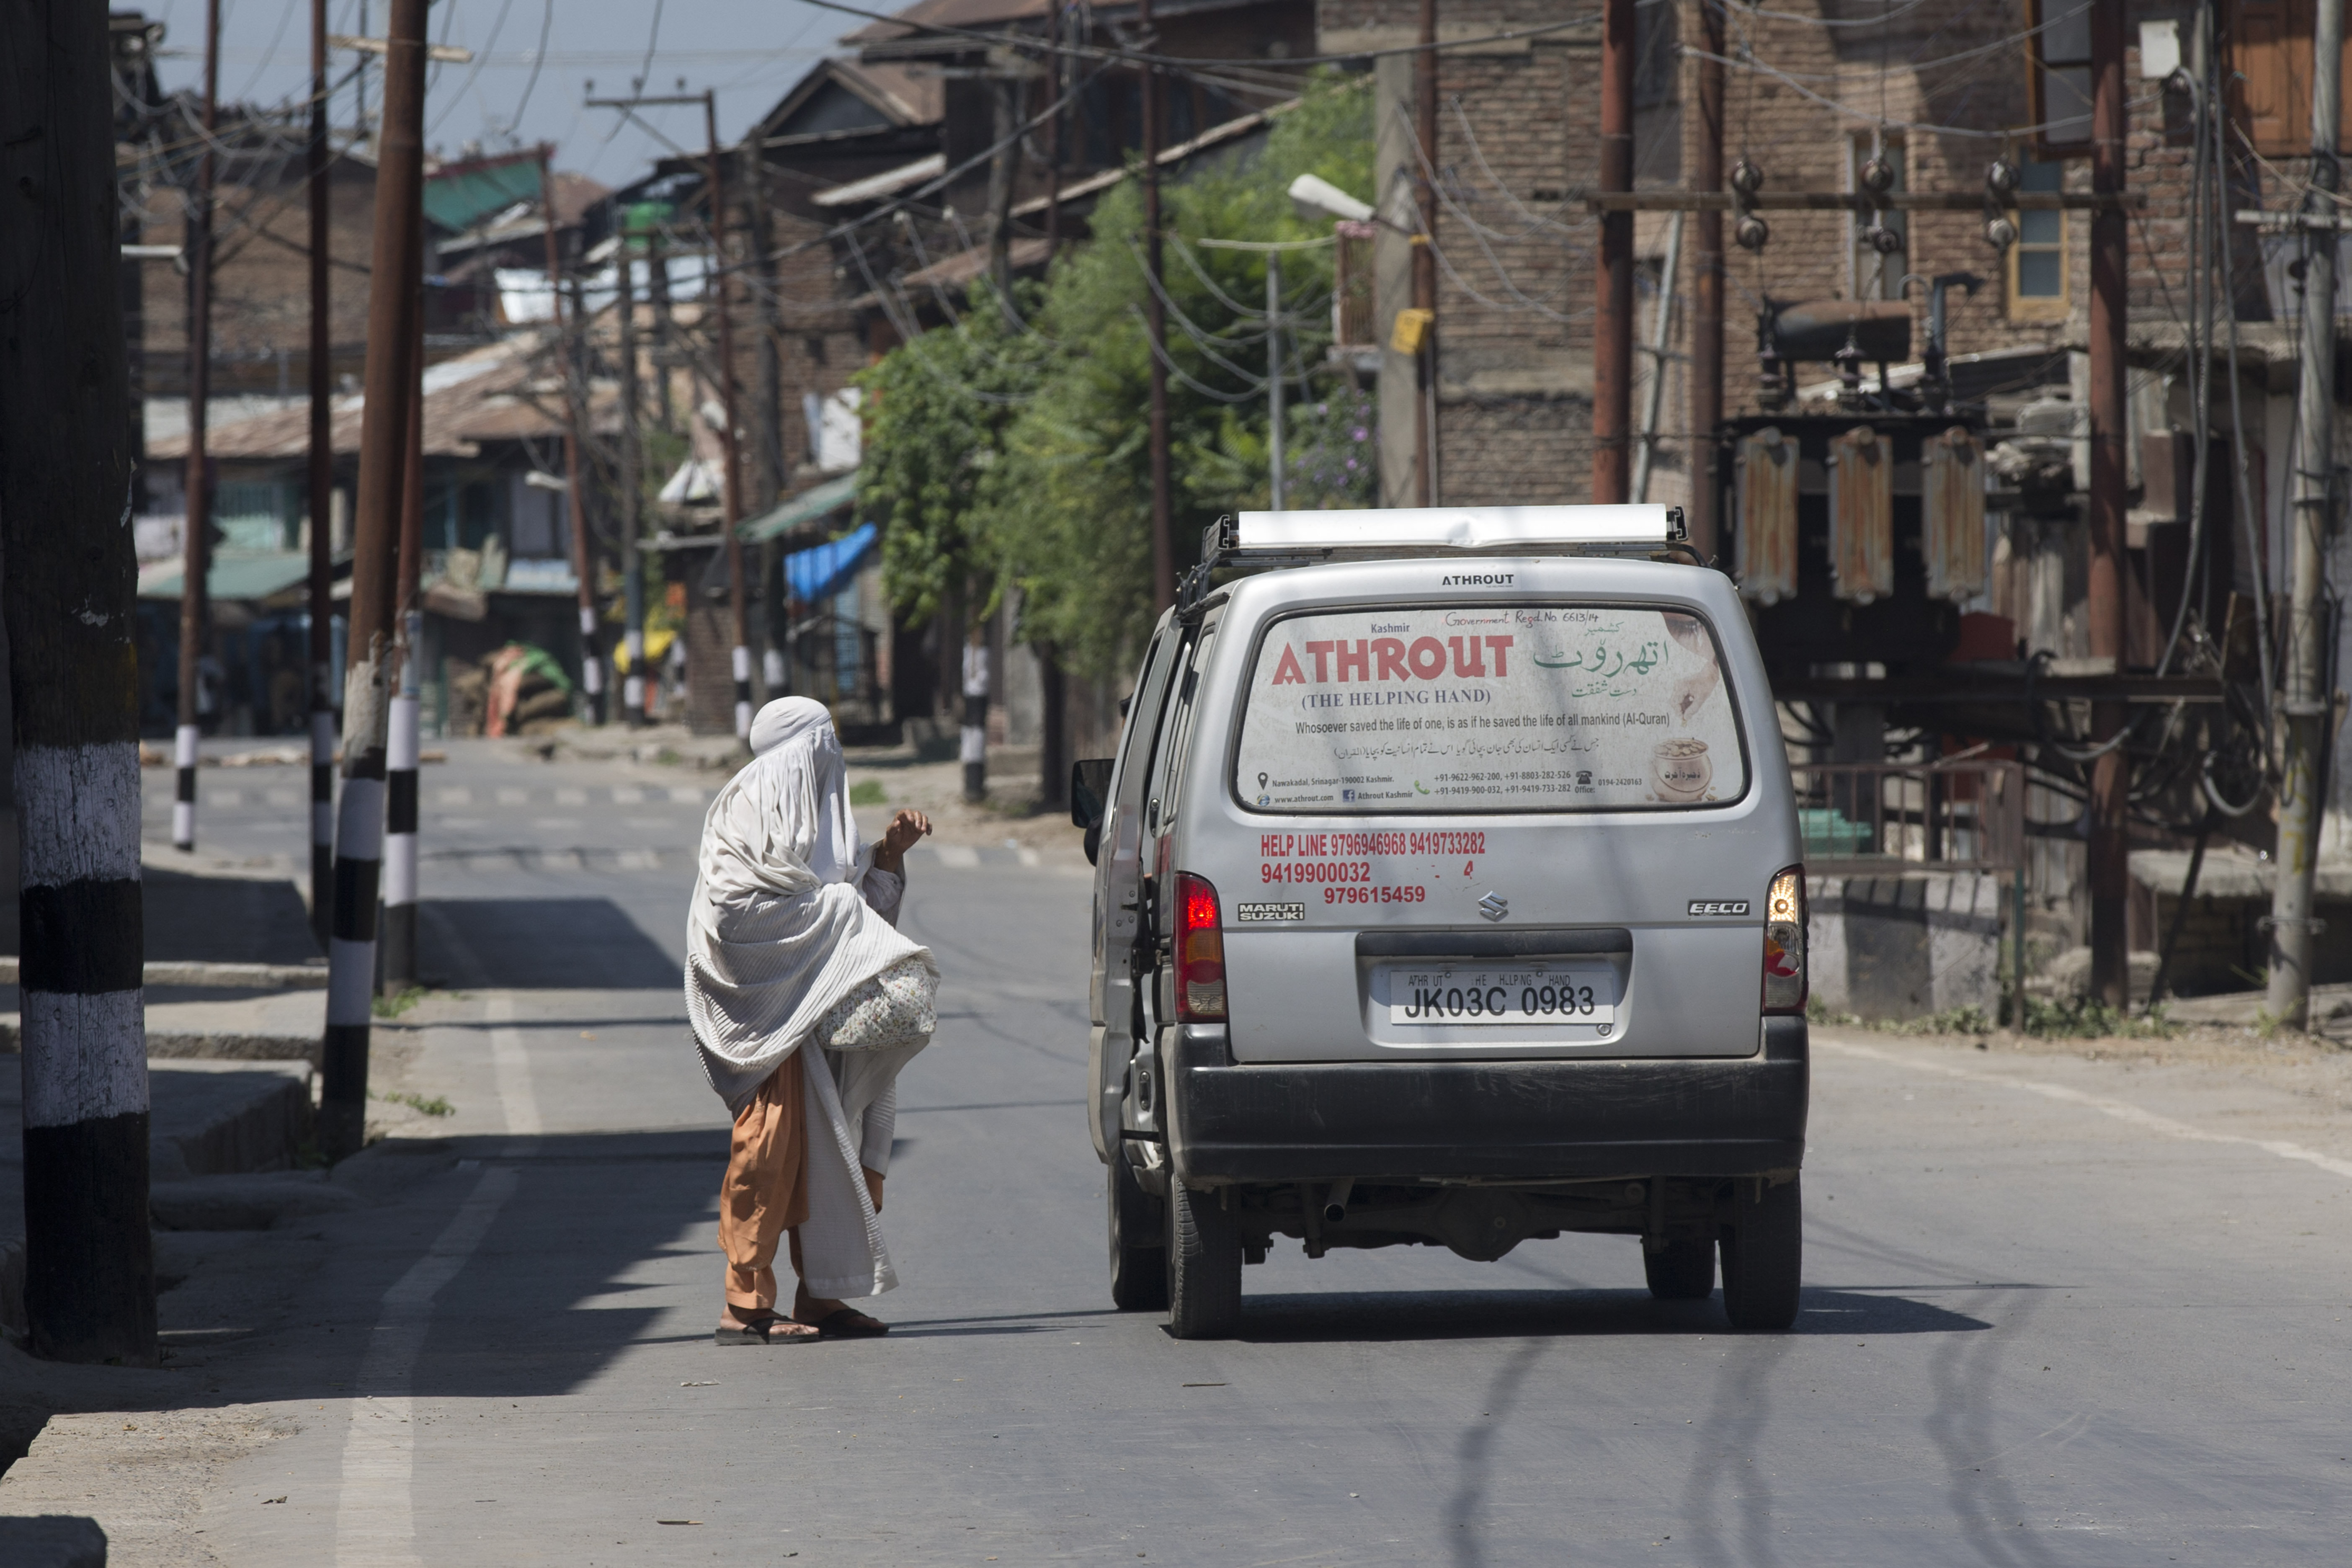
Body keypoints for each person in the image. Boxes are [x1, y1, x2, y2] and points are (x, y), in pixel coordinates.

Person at [684, 697, 937, 1345]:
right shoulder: (748, 810)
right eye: (826, 742)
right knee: (768, 1148)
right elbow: (736, 915)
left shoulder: (819, 819)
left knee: (840, 1149)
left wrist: (885, 856)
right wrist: (836, 917)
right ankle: (743, 1305)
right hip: (768, 1016)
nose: (833, 755)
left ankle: (823, 1298)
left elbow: (853, 909)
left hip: (824, 1007)